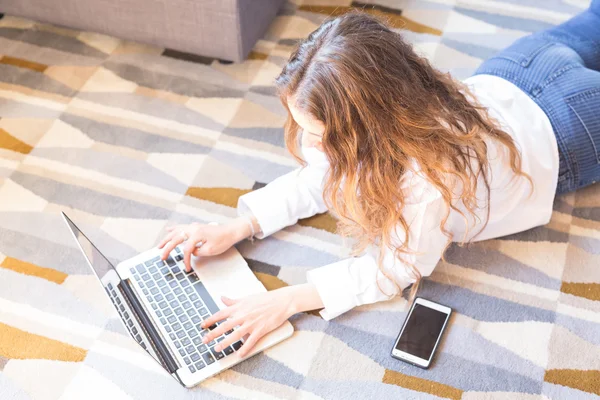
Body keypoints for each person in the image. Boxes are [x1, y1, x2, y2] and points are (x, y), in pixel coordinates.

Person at [158, 1, 600, 358]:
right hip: (518, 71)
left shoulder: (428, 177)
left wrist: (287, 300)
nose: (311, 147)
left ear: (370, 126)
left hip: (570, 127)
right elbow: (321, 176)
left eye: (318, 135)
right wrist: (240, 226)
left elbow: (395, 268)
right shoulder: (403, 107)